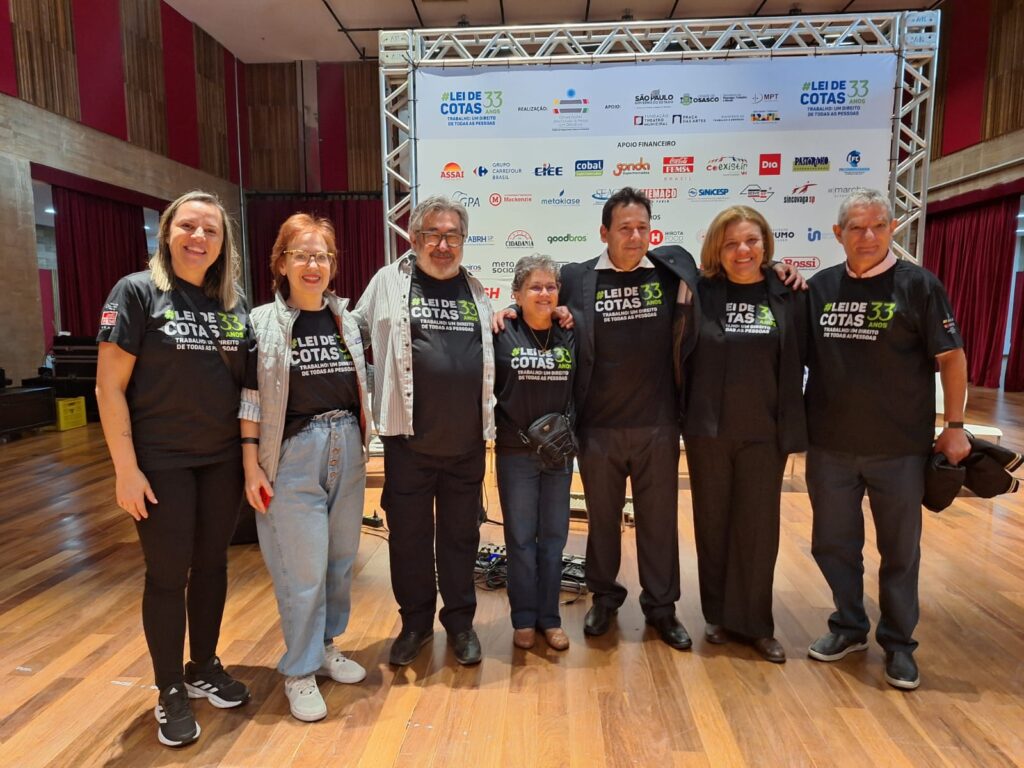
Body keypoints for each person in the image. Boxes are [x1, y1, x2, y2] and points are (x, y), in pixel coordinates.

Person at [96, 191, 251, 748]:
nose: (198, 238)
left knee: (211, 566)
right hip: (160, 463)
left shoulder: (231, 304)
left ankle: (203, 666)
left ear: (222, 243)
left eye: (210, 230)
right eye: (188, 226)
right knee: (167, 574)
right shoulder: (137, 293)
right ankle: (168, 689)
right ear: (167, 233)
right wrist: (125, 469)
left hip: (221, 462)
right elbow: (108, 387)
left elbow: (245, 384)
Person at [805, 188, 969, 690]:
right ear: (839, 235)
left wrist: (956, 426)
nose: (869, 236)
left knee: (900, 552)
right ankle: (850, 626)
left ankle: (899, 644)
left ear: (892, 229)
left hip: (899, 449)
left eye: (878, 226)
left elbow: (952, 358)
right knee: (833, 545)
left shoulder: (919, 286)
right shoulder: (819, 288)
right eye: (856, 228)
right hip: (830, 446)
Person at [352, 195, 495, 667]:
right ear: (413, 239)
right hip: (406, 442)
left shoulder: (476, 289)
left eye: (452, 235)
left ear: (463, 241)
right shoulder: (387, 282)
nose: (442, 244)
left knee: (460, 538)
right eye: (432, 234)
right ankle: (415, 623)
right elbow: (351, 332)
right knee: (409, 540)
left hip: (466, 444)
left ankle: (460, 623)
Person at [239, 214, 372, 722]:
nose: (313, 265)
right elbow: (250, 399)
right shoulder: (262, 321)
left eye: (322, 256)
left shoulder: (347, 319)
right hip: (292, 455)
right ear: (282, 263)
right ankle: (298, 669)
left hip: (348, 447)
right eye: (302, 255)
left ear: (333, 264)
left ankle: (325, 647)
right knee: (302, 570)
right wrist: (252, 464)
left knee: (339, 562)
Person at [558, 187, 700, 649]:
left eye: (643, 227)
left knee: (659, 522)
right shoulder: (575, 278)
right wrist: (506, 314)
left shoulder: (670, 270)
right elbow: (540, 312)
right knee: (601, 521)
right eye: (625, 228)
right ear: (605, 232)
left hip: (658, 425)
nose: (635, 236)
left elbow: (725, 273)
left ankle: (661, 608)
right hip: (597, 427)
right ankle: (605, 597)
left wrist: (780, 270)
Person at [682, 206, 807, 663]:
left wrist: (784, 270)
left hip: (765, 431)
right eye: (732, 242)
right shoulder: (701, 290)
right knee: (712, 525)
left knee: (757, 531)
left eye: (752, 241)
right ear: (718, 247)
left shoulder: (787, 293)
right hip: (708, 431)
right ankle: (719, 616)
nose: (743, 250)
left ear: (765, 243)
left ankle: (755, 624)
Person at [493, 255, 576, 652]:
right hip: (515, 452)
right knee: (521, 539)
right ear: (517, 294)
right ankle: (523, 618)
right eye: (534, 287)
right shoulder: (502, 331)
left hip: (559, 453)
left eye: (550, 286)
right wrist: (506, 312)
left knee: (555, 538)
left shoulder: (569, 331)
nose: (543, 293)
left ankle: (550, 618)